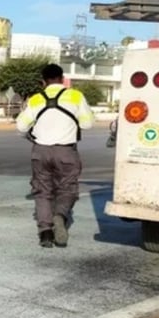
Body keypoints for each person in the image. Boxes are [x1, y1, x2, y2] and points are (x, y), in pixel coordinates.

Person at [16, 63, 94, 247]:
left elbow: (20, 127)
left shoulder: (36, 99)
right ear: (62, 78)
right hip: (66, 151)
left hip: (40, 151)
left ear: (43, 81)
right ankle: (60, 216)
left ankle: (45, 232)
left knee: (42, 192)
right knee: (67, 189)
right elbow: (87, 124)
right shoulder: (75, 96)